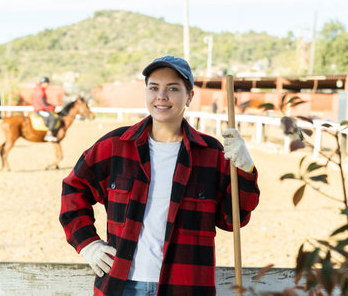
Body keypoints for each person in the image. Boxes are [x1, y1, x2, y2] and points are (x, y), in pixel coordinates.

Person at [59, 56, 260, 296]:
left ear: (189, 97)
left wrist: (245, 169)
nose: (161, 96)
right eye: (154, 87)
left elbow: (233, 219)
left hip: (185, 287)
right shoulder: (115, 146)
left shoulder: (212, 154)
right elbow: (74, 189)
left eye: (173, 88)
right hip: (122, 286)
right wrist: (87, 243)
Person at [32, 76, 58, 142]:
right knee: (53, 118)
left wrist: (52, 106)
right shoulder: (40, 92)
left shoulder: (39, 90)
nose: (47, 85)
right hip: (40, 110)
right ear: (43, 83)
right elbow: (43, 104)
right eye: (47, 83)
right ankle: (48, 135)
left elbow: (45, 103)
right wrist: (52, 108)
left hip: (41, 109)